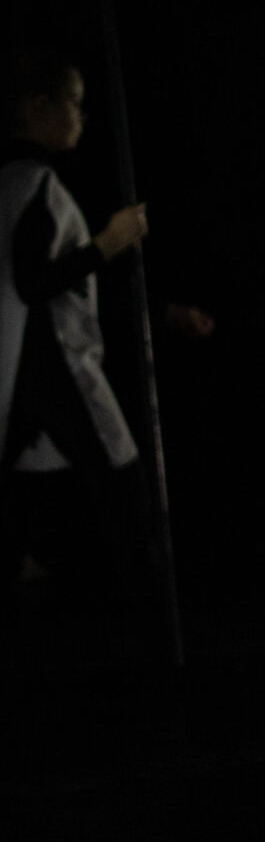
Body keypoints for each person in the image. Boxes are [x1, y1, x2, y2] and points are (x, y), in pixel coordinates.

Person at [1, 51, 146, 624]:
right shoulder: (33, 184)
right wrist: (106, 245)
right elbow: (33, 282)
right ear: (39, 109)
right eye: (75, 104)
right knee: (120, 479)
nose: (82, 117)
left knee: (28, 492)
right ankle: (147, 618)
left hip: (22, 369)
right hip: (49, 362)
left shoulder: (18, 183)